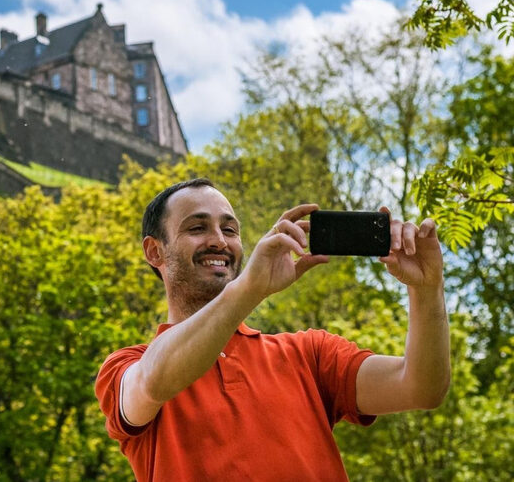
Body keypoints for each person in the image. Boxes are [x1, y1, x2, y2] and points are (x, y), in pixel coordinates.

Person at [95, 178, 450, 481]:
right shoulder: (127, 366)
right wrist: (250, 288)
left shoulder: (309, 354)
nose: (219, 240)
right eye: (197, 227)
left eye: (229, 229)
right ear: (154, 251)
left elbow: (421, 387)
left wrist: (426, 288)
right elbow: (154, 381)